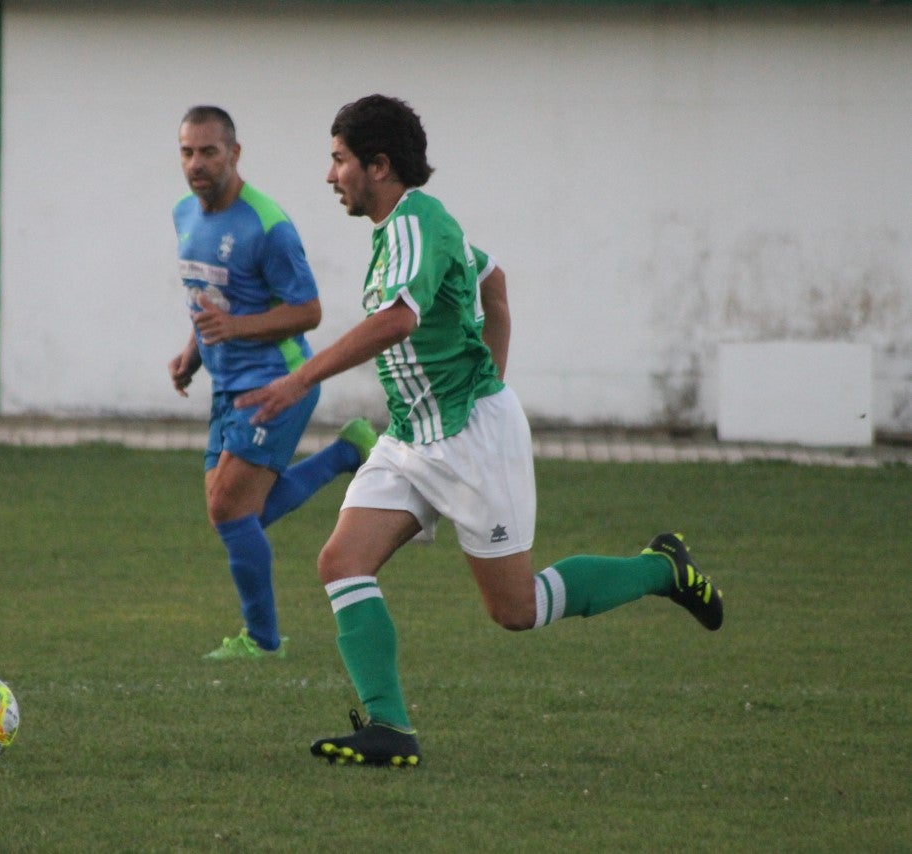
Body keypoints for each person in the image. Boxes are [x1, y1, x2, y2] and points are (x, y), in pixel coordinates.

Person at [236, 94, 724, 767]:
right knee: (341, 562)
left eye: (338, 159)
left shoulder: (416, 223)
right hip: (410, 439)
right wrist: (489, 371)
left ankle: (660, 568)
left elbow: (398, 322)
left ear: (378, 166)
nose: (330, 175)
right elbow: (495, 282)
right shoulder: (409, 230)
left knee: (516, 610)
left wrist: (300, 380)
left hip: (471, 442)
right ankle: (390, 730)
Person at [169, 105, 379, 661]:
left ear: (234, 154)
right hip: (226, 385)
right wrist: (193, 353)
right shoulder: (184, 216)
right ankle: (345, 453)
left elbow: (308, 310)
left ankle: (262, 643)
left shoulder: (268, 225)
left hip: (278, 381)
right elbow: (208, 299)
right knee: (239, 514)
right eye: (188, 151)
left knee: (230, 512)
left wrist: (235, 328)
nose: (197, 163)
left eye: (209, 151)